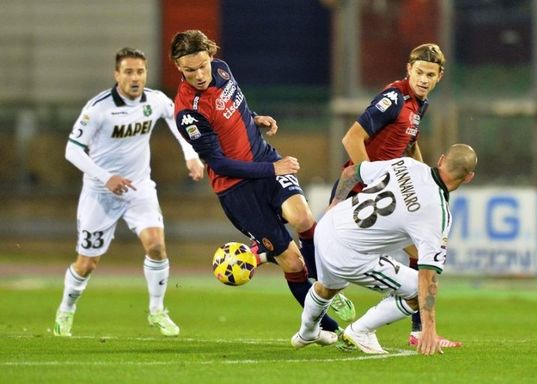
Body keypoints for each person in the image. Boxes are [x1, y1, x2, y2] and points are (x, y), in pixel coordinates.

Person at [169, 29, 354, 334]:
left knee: (303, 217)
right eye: (190, 70)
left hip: (264, 158)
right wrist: (275, 170)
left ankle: (323, 284)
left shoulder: (222, 69)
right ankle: (328, 328)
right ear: (179, 68)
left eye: (202, 65)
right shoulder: (188, 113)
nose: (199, 75)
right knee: (293, 263)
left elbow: (234, 108)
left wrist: (254, 118)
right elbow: (218, 163)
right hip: (238, 190)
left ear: (211, 56)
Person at [53, 47, 205, 337]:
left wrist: (190, 154)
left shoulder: (156, 100)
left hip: (139, 188)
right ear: (117, 75)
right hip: (100, 192)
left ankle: (157, 310)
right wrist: (106, 177)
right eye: (129, 72)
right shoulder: (98, 108)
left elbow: (178, 121)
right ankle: (66, 308)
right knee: (87, 263)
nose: (135, 78)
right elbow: (72, 150)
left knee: (156, 245)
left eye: (140, 72)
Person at [331, 43, 461, 347]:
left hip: (385, 193)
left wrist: (426, 179)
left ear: (440, 76)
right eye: (419, 72)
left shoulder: (419, 104)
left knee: (421, 254)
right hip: (364, 192)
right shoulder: (394, 98)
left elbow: (409, 145)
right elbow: (351, 138)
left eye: (430, 74)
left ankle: (416, 330)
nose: (424, 79)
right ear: (408, 70)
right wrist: (373, 181)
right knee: (330, 270)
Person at [293, 144, 477, 354]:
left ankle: (307, 332)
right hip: (348, 253)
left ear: (441, 159)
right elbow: (427, 276)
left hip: (329, 225)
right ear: (469, 177)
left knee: (327, 287)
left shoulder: (407, 165)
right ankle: (360, 331)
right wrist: (429, 328)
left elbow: (351, 172)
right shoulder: (438, 213)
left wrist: (335, 202)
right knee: (417, 291)